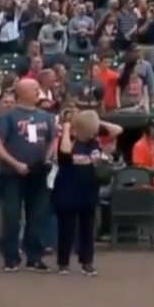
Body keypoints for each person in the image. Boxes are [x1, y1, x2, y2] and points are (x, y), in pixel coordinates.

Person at [0, 79, 57, 273]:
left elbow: (53, 140)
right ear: (23, 92)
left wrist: (47, 157)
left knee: (37, 216)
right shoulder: (9, 117)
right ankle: (11, 258)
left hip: (38, 173)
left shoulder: (45, 116)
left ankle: (34, 257)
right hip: (13, 174)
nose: (38, 92)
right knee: (12, 216)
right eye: (34, 89)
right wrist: (16, 164)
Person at [51, 110, 122, 276]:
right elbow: (65, 151)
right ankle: (63, 262)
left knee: (88, 229)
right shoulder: (69, 140)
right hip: (67, 191)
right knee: (66, 229)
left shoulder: (94, 142)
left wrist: (98, 122)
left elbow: (117, 130)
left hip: (89, 190)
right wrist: (67, 128)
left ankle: (87, 262)